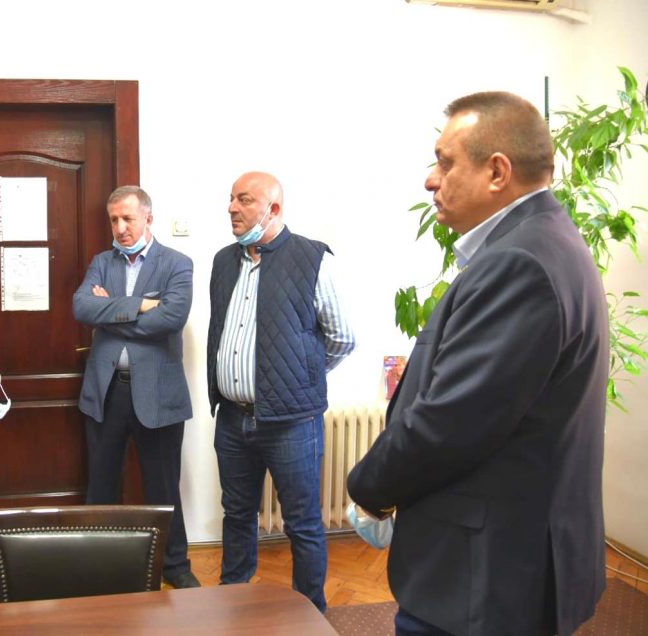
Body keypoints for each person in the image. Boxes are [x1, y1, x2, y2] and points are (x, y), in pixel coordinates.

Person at [347, 92, 609, 636]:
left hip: (484, 580)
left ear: (497, 172)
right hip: (504, 565)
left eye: (445, 163)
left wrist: (368, 488)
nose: (430, 180)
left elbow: (449, 423)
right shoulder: (546, 240)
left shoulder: (519, 262)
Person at [207, 171, 356, 611]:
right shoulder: (223, 261)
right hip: (232, 418)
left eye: (244, 200)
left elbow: (342, 338)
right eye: (231, 199)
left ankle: (311, 612)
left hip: (292, 423)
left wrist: (300, 376)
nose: (232, 208)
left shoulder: (312, 258)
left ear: (273, 209)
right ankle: (234, 604)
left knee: (302, 523)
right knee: (237, 515)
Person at [72, 185, 200, 588]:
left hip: (158, 394)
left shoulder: (177, 263)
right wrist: (142, 304)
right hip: (106, 392)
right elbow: (82, 307)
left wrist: (109, 313)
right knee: (102, 485)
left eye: (128, 218)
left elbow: (171, 318)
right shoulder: (101, 262)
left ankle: (175, 566)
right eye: (114, 220)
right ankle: (99, 566)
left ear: (148, 217)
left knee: (164, 487)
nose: (120, 227)